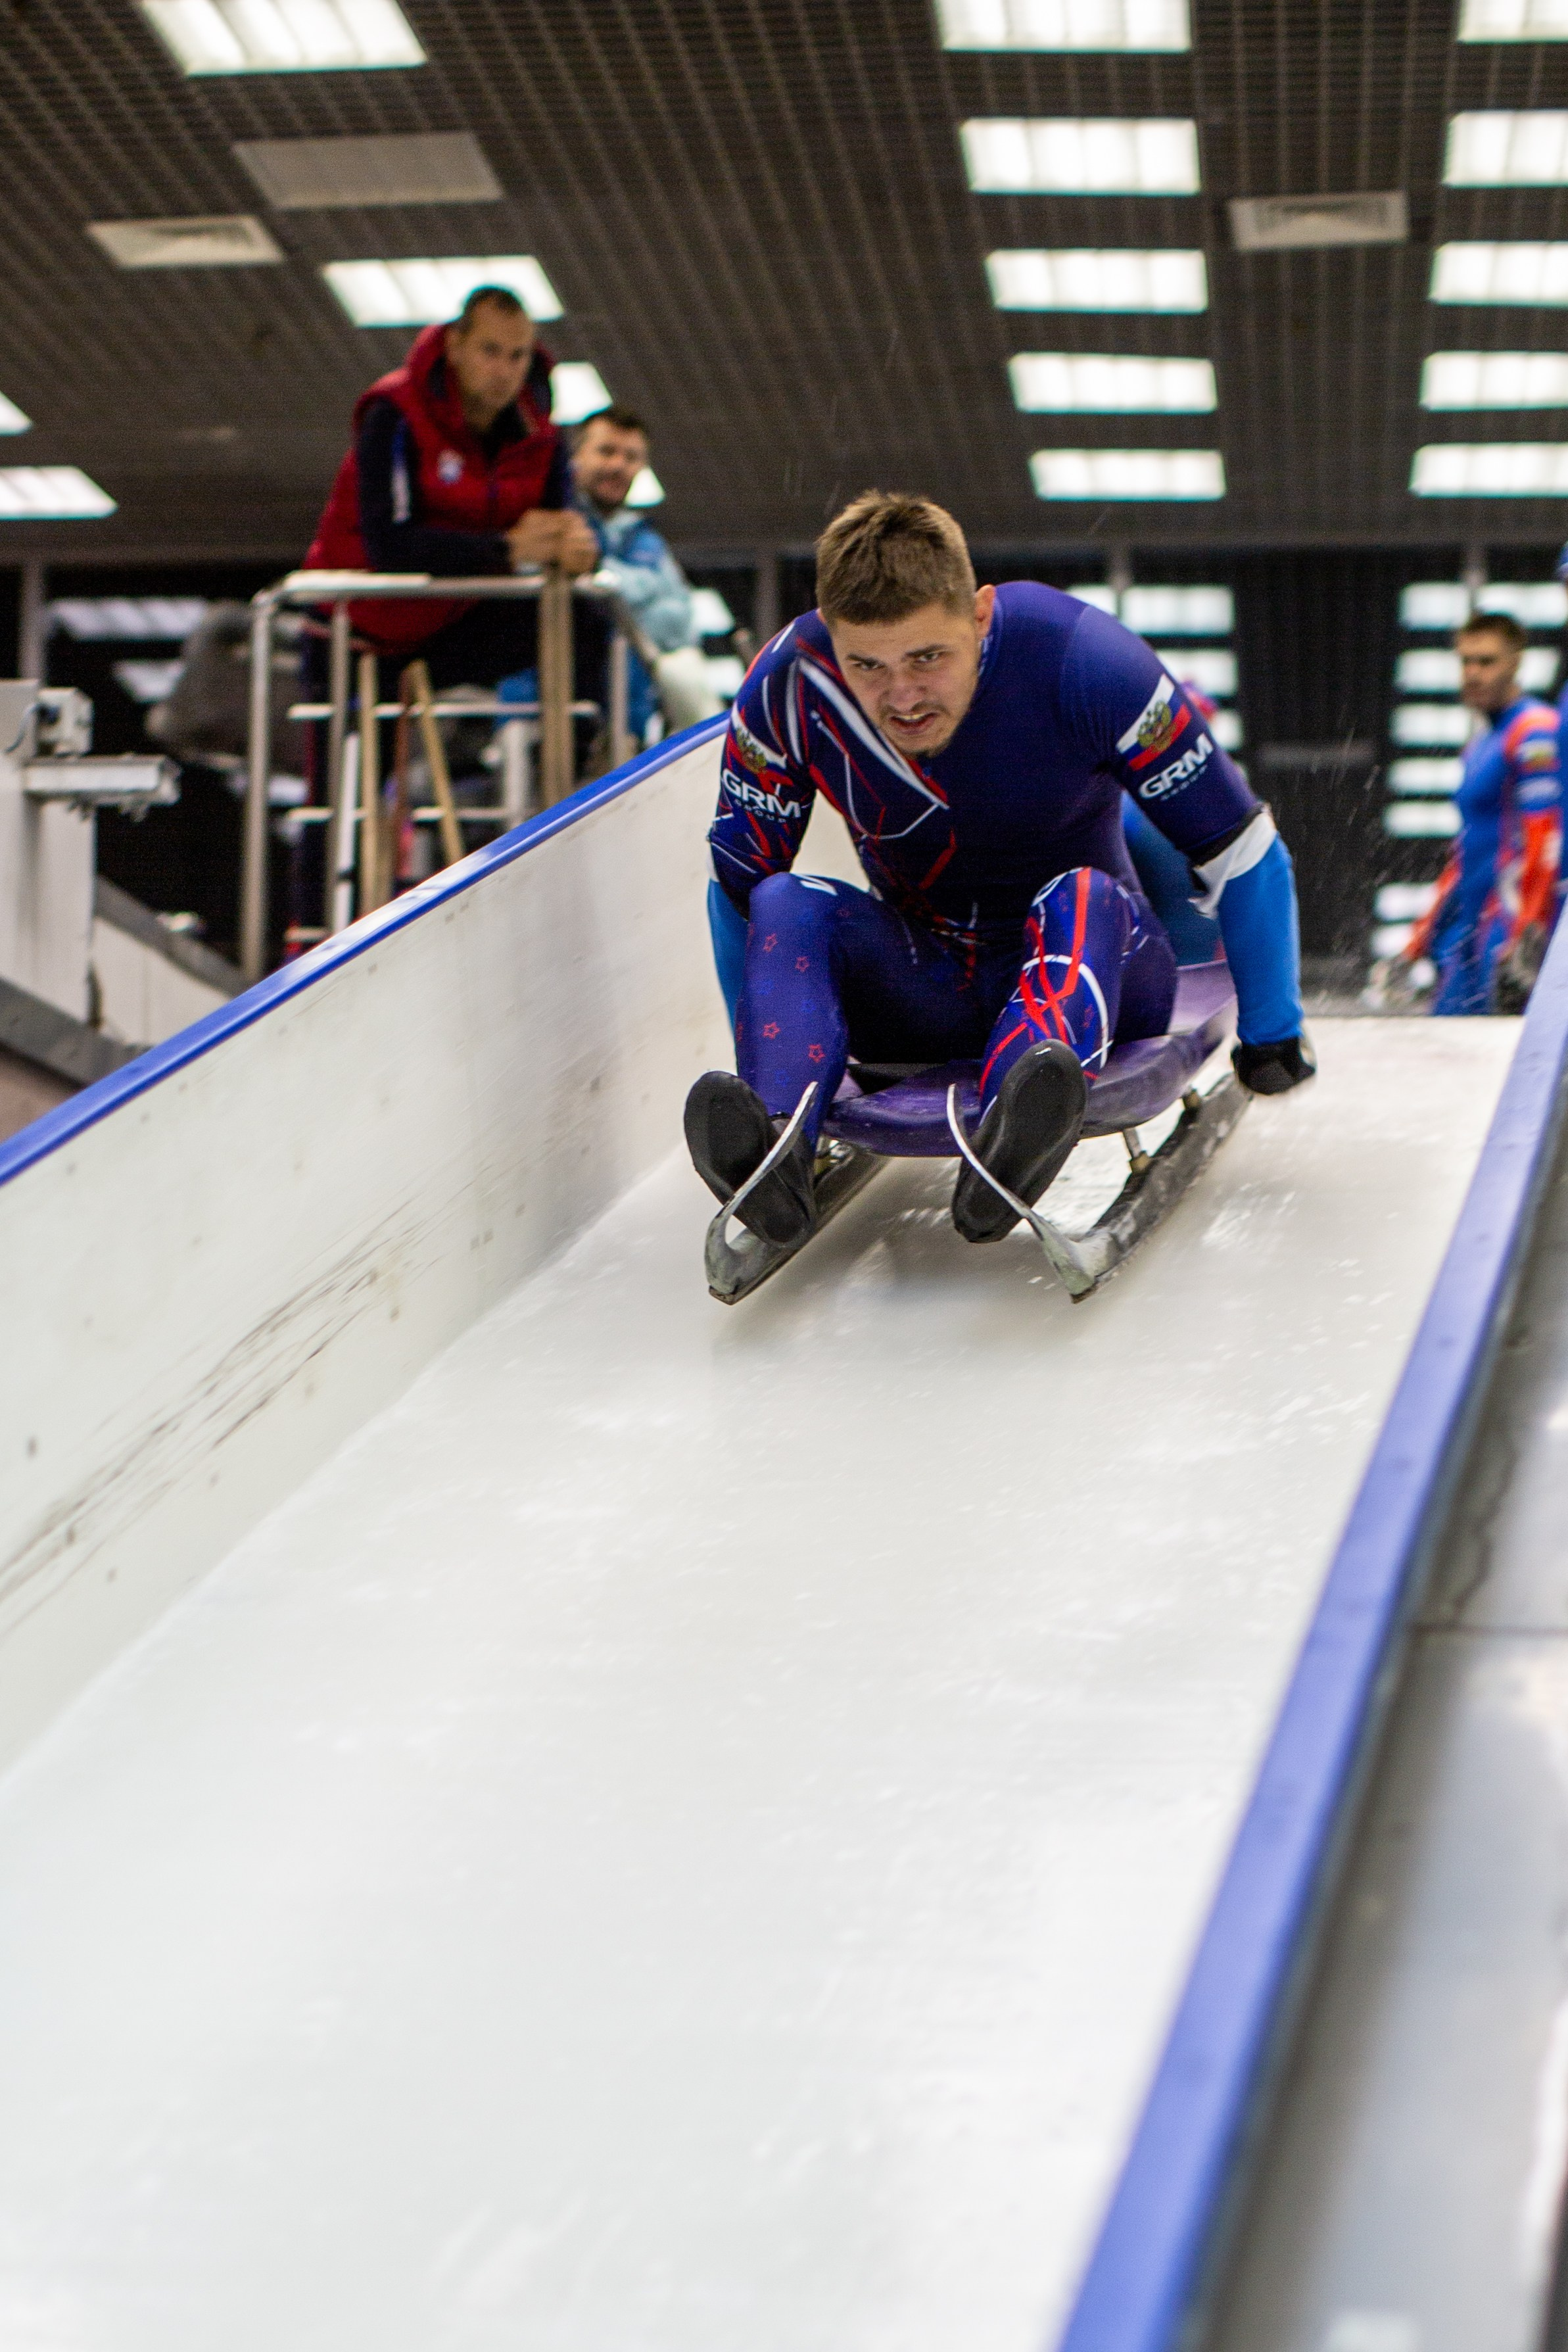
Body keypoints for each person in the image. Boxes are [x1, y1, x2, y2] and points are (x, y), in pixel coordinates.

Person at [684, 491, 1310, 1249]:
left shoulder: (1083, 657)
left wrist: (1272, 1032)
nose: (904, 696)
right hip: (930, 980)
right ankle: (778, 1144)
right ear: (832, 643)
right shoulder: (790, 683)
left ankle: (1018, 1118)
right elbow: (743, 894)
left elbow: (1238, 843)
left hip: (1102, 966)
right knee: (787, 896)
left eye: (928, 657)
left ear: (980, 615)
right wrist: (761, 1062)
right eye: (868, 667)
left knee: (1078, 894)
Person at [304, 283, 600, 692]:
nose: (504, 371)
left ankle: (591, 748)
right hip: (353, 630)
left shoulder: (541, 437)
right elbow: (389, 545)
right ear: (455, 346)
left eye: (518, 356)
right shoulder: (395, 412)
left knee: (585, 617)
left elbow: (555, 530)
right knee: (356, 752)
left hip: (441, 630)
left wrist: (576, 550)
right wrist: (508, 549)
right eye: (490, 351)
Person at [1402, 610, 1561, 1016]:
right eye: (1465, 661)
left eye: (1487, 661)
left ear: (1516, 662)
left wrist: (1530, 928)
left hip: (1507, 934)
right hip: (1469, 933)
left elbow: (1547, 837)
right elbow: (1467, 849)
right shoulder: (1480, 744)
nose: (1473, 673)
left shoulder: (1535, 730)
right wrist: (1421, 935)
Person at [571, 404, 719, 736]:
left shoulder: (643, 537)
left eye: (631, 457)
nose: (618, 466)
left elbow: (680, 623)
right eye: (606, 451)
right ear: (577, 455)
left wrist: (605, 580)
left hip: (626, 714)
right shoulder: (552, 519)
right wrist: (640, 595)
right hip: (547, 707)